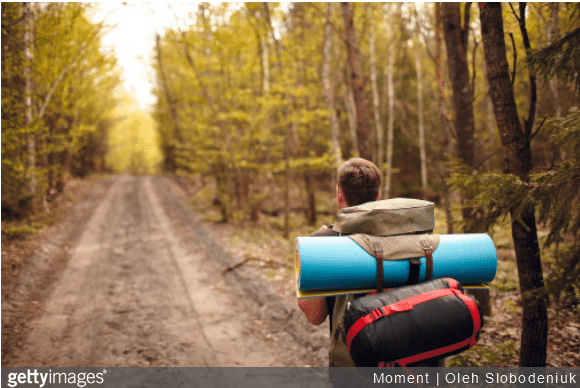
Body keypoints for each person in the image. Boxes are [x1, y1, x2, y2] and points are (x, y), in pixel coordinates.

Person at [298, 157, 444, 368]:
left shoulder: (324, 242)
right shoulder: (416, 240)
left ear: (339, 193)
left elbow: (314, 315)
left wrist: (318, 245)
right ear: (377, 197)